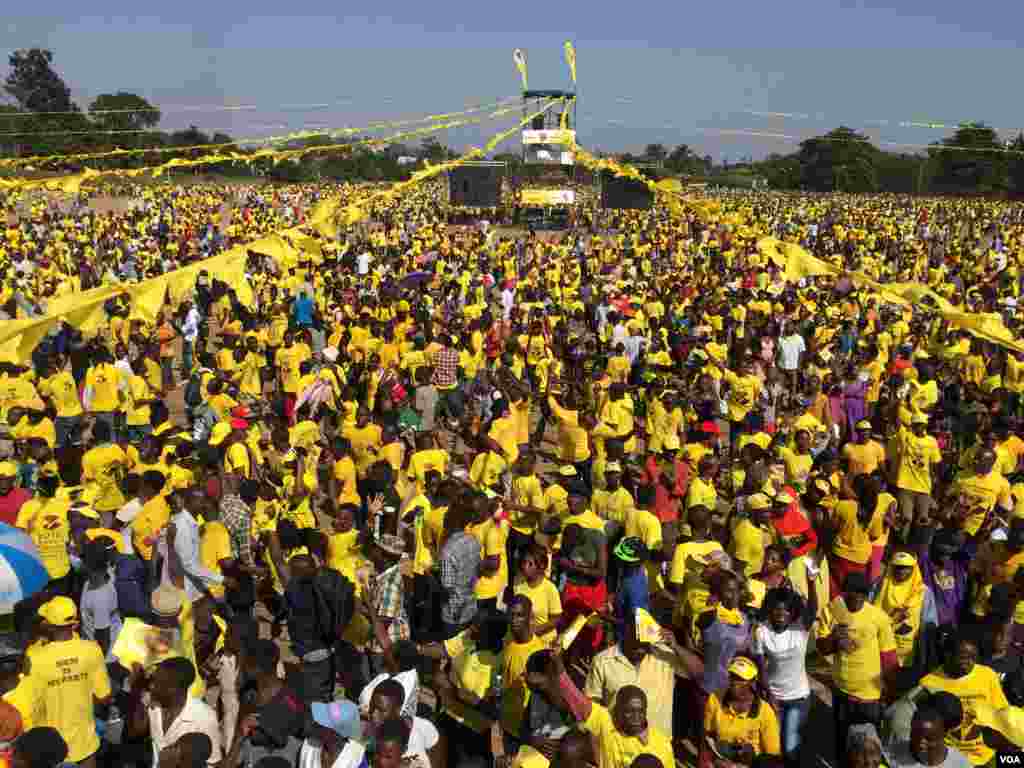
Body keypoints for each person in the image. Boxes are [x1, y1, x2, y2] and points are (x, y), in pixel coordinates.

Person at [26, 596, 111, 768]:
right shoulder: (92, 650)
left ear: (48, 625)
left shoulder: (34, 657)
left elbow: (30, 704)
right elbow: (104, 697)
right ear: (74, 622)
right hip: (85, 744)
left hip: (49, 750)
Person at [820, 572, 899, 750]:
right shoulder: (832, 611)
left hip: (869, 696)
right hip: (841, 690)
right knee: (842, 741)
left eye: (861, 593)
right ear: (843, 592)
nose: (856, 596)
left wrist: (891, 691)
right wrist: (833, 638)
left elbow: (889, 657)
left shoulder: (878, 618)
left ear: (867, 594)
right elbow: (822, 648)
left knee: (868, 745)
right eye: (851, 592)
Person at [752, 579, 818, 766]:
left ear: (792, 612)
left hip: (799, 698)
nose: (781, 613)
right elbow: (761, 668)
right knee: (773, 747)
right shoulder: (761, 631)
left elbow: (813, 609)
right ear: (770, 610)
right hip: (773, 697)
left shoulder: (800, 628)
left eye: (786, 609)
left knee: (790, 746)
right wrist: (770, 696)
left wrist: (811, 582)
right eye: (777, 609)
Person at [125, 655, 223, 767]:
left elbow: (213, 763)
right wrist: (138, 690)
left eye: (158, 683)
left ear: (173, 689)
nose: (152, 687)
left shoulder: (205, 717)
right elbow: (137, 730)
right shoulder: (153, 703)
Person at [701, 656, 782, 768]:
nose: (734, 682)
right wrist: (710, 762)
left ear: (752, 682)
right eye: (732, 676)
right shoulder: (715, 700)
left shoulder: (765, 711)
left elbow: (772, 755)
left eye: (740, 678)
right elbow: (707, 737)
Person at [887, 705, 972, 768]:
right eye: (916, 735)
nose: (920, 743)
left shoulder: (960, 765)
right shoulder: (892, 754)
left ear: (942, 736)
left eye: (928, 738)